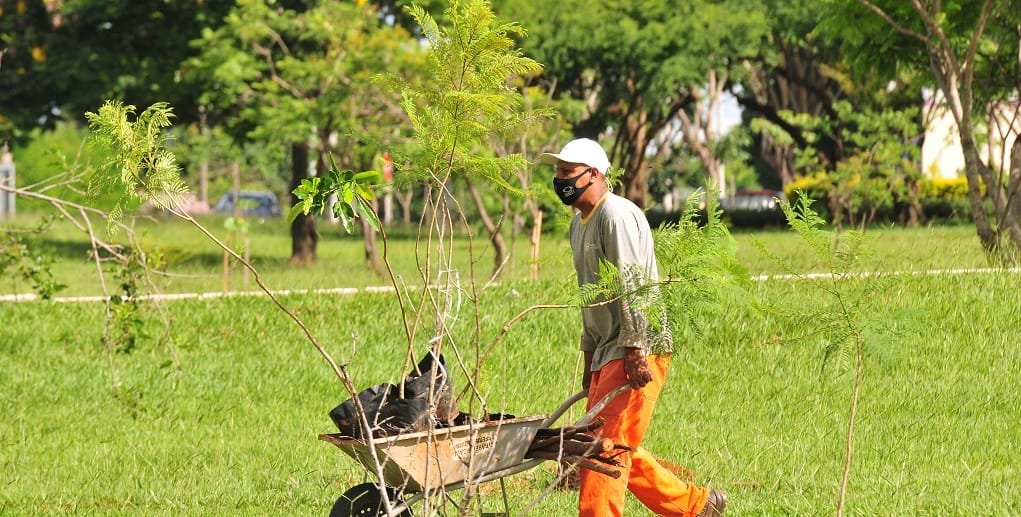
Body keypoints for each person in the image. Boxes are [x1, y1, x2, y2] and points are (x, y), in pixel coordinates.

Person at [541, 138, 727, 517]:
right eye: (557, 171)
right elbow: (589, 297)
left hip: (636, 346)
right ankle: (696, 506)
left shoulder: (617, 216)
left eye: (566, 171)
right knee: (611, 443)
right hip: (608, 349)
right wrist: (589, 360)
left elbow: (633, 285)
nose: (559, 179)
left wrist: (637, 348)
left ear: (593, 174)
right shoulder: (579, 225)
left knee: (603, 451)